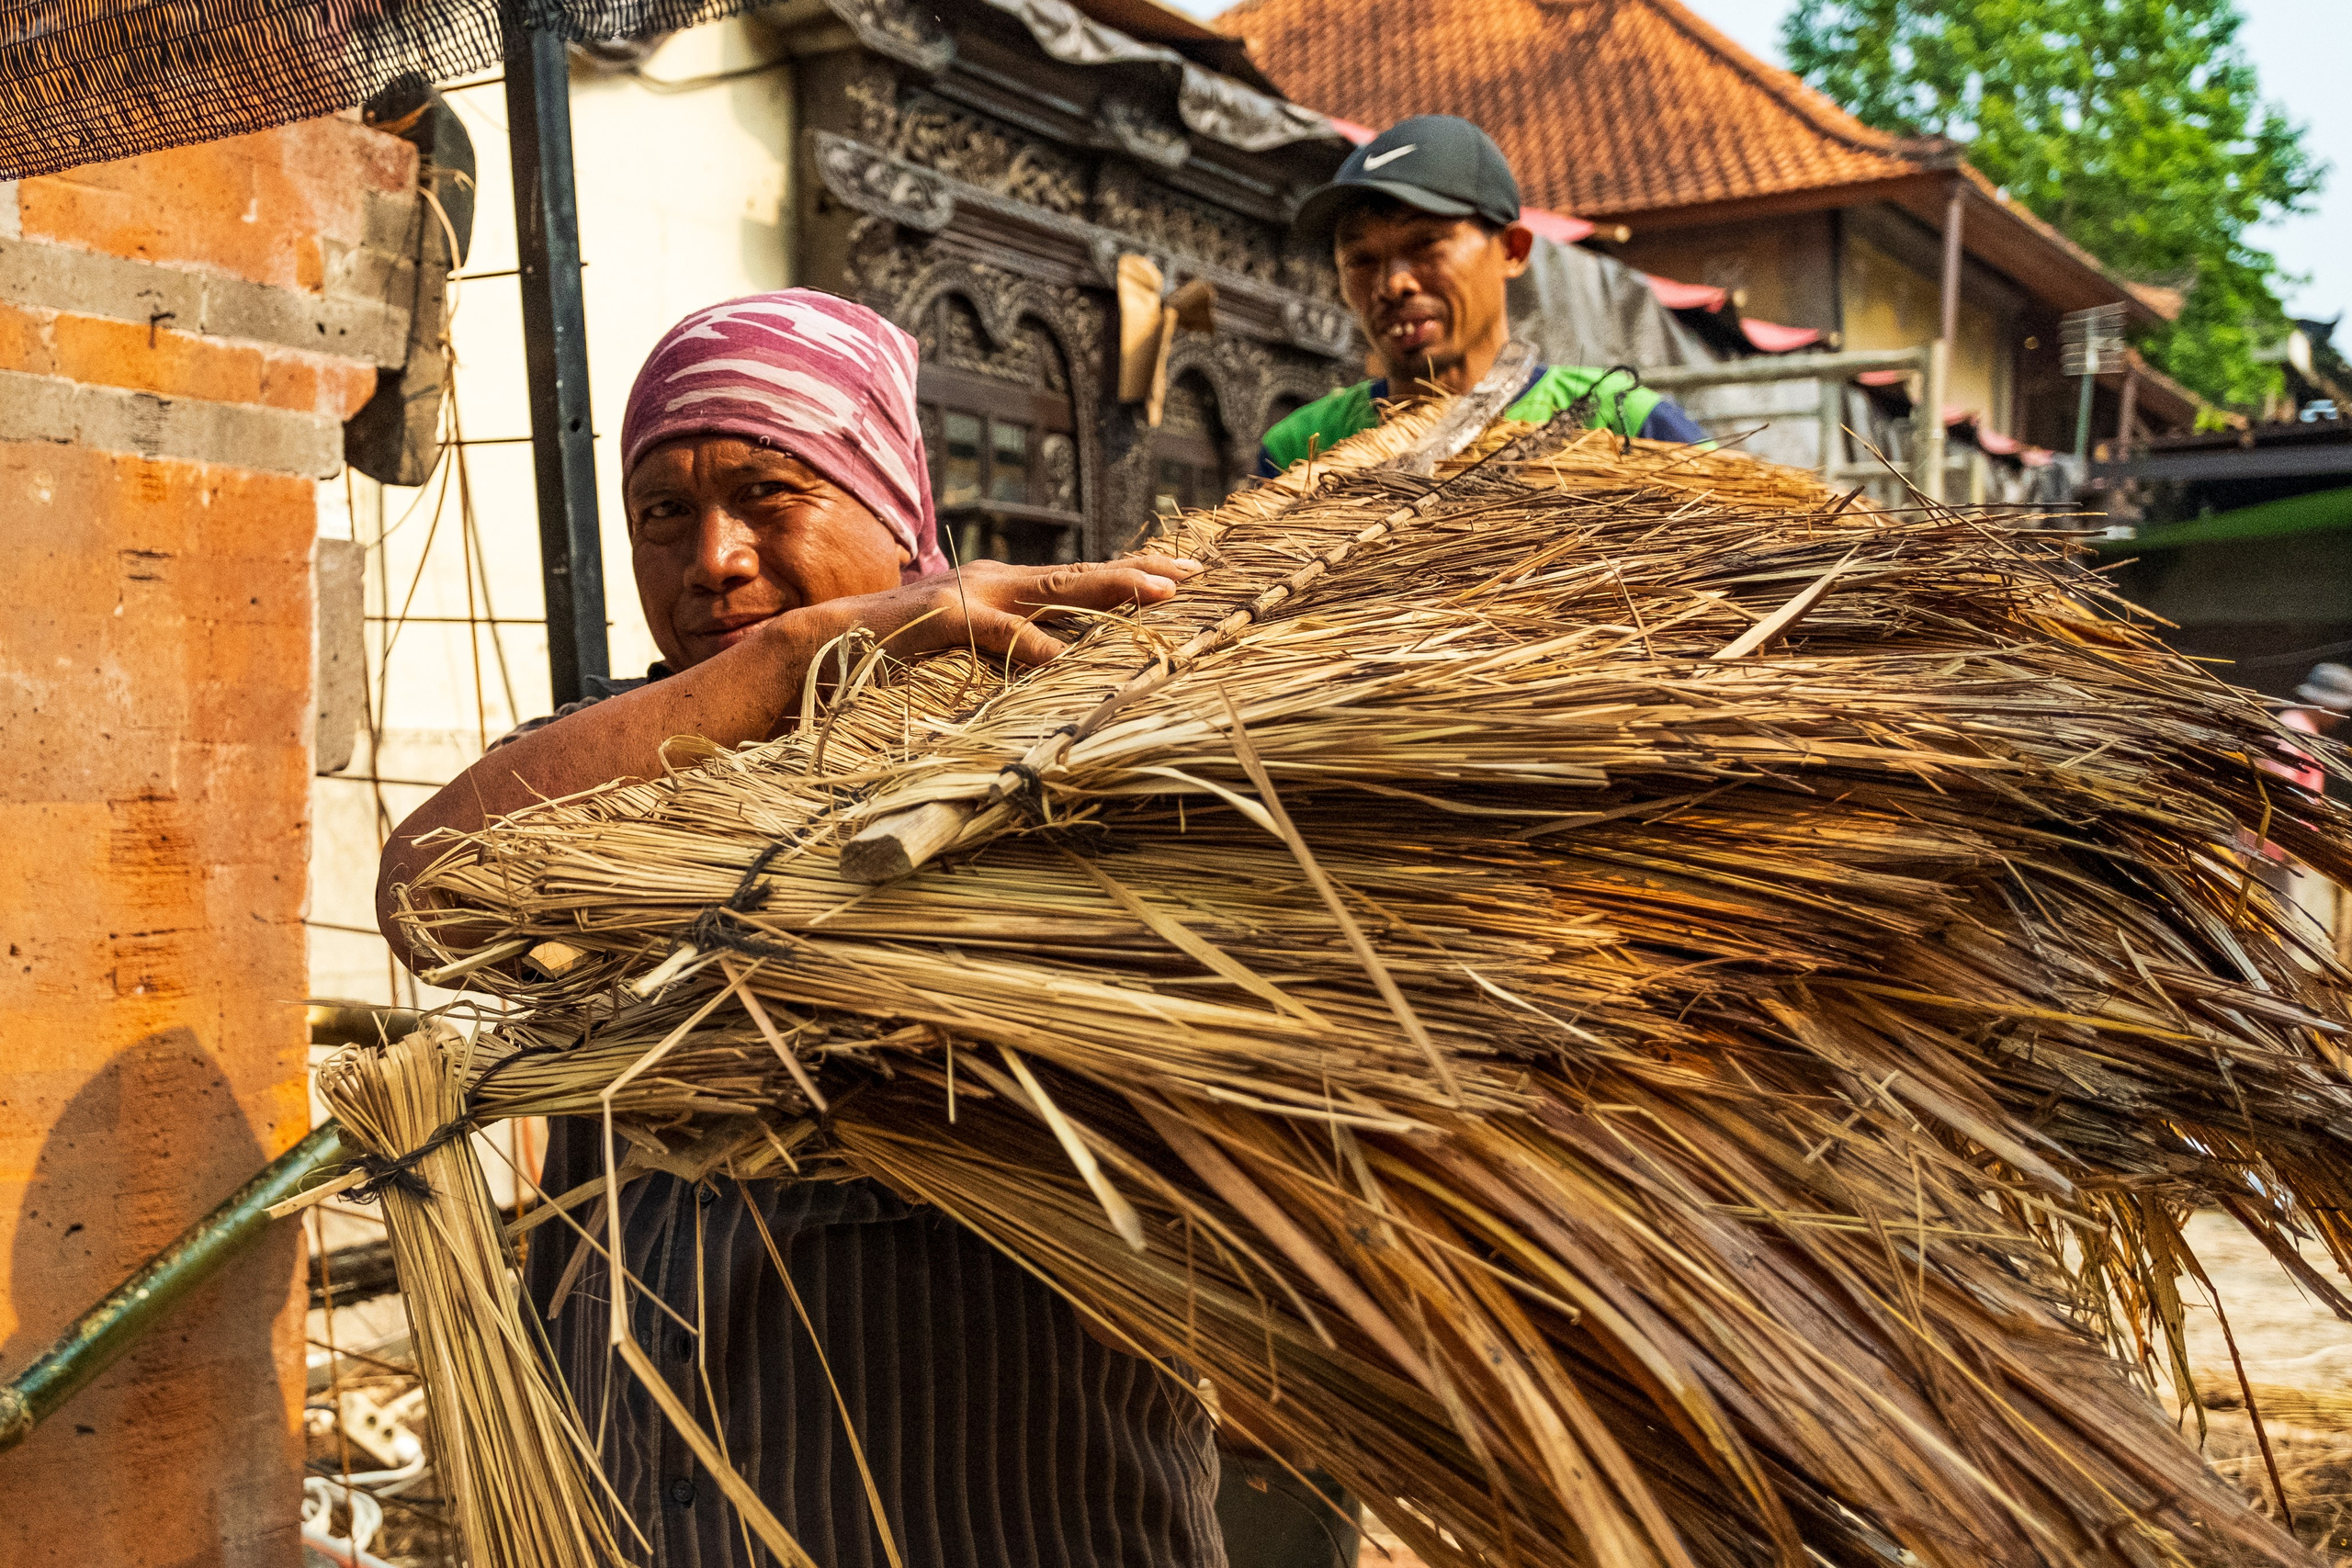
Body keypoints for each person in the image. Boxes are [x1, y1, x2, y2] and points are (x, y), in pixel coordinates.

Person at [375, 289, 1223, 1568]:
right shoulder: (636, 760)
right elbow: (426, 891)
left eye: (772, 494)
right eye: (663, 511)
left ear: (902, 524)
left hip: (989, 1512)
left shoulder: (1057, 751)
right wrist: (788, 660)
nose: (711, 556)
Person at [1258, 115, 1708, 478]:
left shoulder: (1616, 419)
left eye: (1425, 246)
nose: (1393, 284)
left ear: (1512, 251)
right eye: (1361, 260)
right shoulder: (1303, 448)